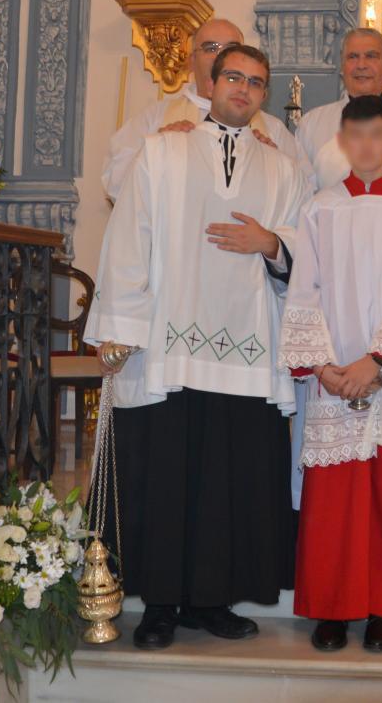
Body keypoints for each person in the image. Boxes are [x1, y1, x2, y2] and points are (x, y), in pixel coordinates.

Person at [86, 44, 311, 650]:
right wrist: (122, 328)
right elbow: (129, 237)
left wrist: (272, 244)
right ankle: (159, 604)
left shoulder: (283, 168)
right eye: (234, 77)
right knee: (167, 475)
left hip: (247, 348)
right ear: (210, 83)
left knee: (229, 479)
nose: (243, 88)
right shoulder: (161, 151)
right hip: (169, 343)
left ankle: (213, 599)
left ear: (264, 97)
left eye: (256, 83)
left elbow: (301, 246)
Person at [282, 94, 382, 654]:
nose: (368, 146)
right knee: (335, 498)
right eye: (358, 136)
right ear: (343, 143)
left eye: (379, 135)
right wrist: (325, 366)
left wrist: (376, 362)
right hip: (334, 377)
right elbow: (304, 289)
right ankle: (333, 607)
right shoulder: (320, 208)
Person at [101, 18, 313, 201]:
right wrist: (155, 150)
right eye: (210, 48)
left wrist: (274, 163)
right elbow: (115, 184)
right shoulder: (155, 118)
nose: (219, 56)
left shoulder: (271, 129)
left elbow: (303, 193)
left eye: (231, 48)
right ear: (192, 61)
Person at [294, 28, 382, 190]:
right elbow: (302, 192)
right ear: (342, 68)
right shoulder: (312, 124)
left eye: (371, 56)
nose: (361, 65)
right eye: (352, 57)